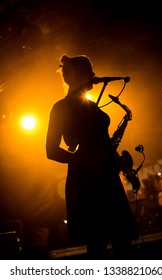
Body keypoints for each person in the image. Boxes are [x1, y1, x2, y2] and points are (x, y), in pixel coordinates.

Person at [46, 54, 139, 259]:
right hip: (86, 181)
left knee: (122, 242)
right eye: (90, 72)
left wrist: (118, 161)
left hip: (107, 178)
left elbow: (102, 142)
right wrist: (83, 159)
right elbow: (50, 150)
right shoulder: (60, 107)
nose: (95, 75)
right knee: (97, 244)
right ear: (80, 76)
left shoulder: (90, 105)